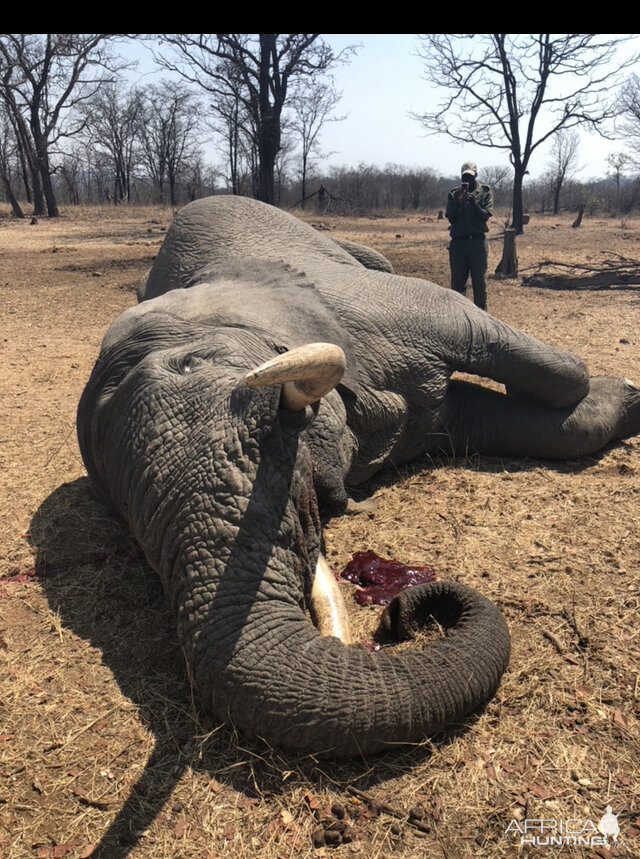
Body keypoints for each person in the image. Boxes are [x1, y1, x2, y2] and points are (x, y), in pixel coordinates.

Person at [445, 161, 493, 310]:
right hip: (458, 244)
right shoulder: (454, 194)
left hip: (477, 243)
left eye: (470, 177)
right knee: (458, 284)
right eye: (464, 177)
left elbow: (485, 216)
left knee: (479, 282)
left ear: (476, 176)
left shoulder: (484, 191)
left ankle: (481, 317)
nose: (467, 181)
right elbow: (451, 218)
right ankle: (459, 315)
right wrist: (459, 203)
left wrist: (473, 204)